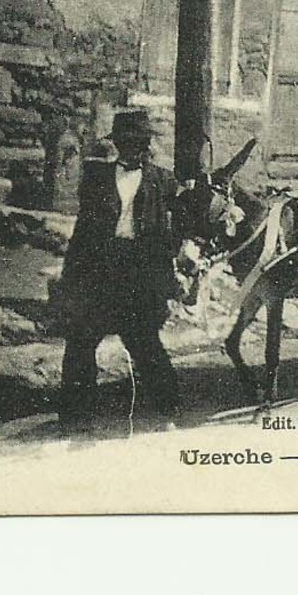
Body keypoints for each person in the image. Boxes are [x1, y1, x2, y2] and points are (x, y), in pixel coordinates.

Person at [58, 109, 183, 435]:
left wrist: (169, 280)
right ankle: (76, 419)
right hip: (100, 268)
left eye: (138, 144)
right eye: (126, 144)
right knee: (82, 342)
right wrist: (71, 276)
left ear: (146, 146)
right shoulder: (97, 178)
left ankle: (165, 412)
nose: (132, 150)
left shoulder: (162, 180)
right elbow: (83, 231)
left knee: (144, 342)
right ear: (118, 146)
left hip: (139, 270)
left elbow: (175, 230)